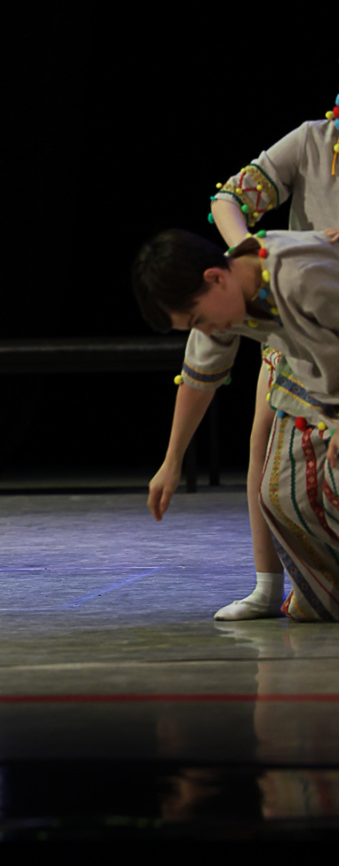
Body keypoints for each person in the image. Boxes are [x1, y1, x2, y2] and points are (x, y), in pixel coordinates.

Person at [131, 227, 339, 622]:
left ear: (215, 278)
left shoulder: (299, 276)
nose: (206, 331)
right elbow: (199, 377)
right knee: (282, 497)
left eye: (198, 320)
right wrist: (172, 461)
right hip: (323, 386)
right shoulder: (226, 301)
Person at [206, 96, 339, 619]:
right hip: (298, 319)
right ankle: (269, 584)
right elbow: (228, 198)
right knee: (263, 451)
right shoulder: (313, 141)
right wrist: (251, 252)